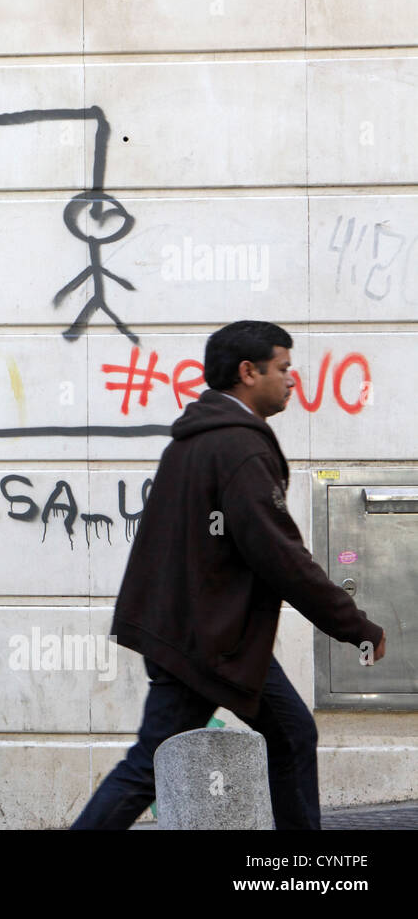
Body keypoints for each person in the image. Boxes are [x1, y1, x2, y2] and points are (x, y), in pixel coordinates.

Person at [71, 320, 386, 830]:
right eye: (283, 368)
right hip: (207, 643)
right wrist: (356, 627)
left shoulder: (194, 441)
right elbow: (281, 556)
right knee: (149, 766)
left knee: (290, 736)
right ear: (248, 371)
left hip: (210, 636)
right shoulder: (239, 447)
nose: (291, 380)